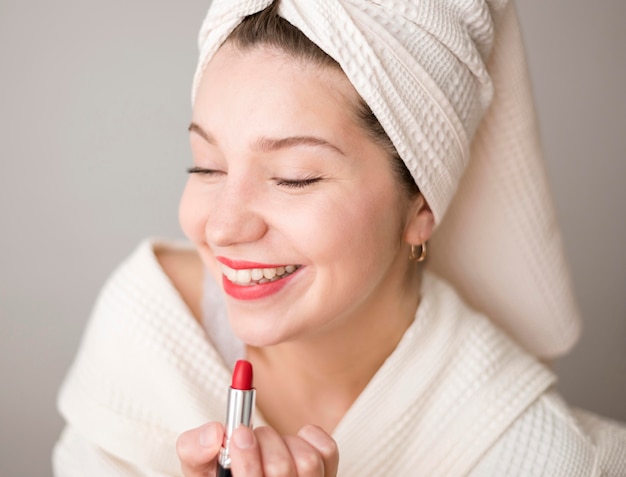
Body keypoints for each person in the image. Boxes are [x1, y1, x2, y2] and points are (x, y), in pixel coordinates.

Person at [53, 0, 626, 476]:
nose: (223, 228)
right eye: (206, 167)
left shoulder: (535, 450)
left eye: (294, 177)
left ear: (420, 205)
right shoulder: (145, 333)